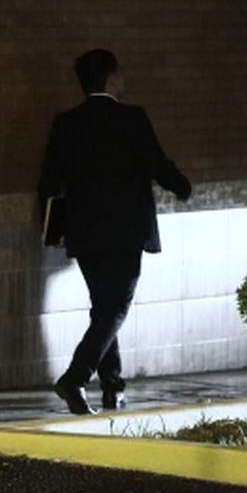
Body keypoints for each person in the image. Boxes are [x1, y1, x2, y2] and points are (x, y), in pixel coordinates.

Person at [39, 49, 192, 415]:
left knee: (103, 307)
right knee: (115, 307)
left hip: (84, 231)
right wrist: (182, 187)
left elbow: (49, 179)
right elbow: (157, 162)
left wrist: (55, 229)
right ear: (111, 79)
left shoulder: (66, 123)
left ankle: (113, 385)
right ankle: (76, 377)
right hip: (125, 230)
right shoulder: (132, 118)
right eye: (120, 74)